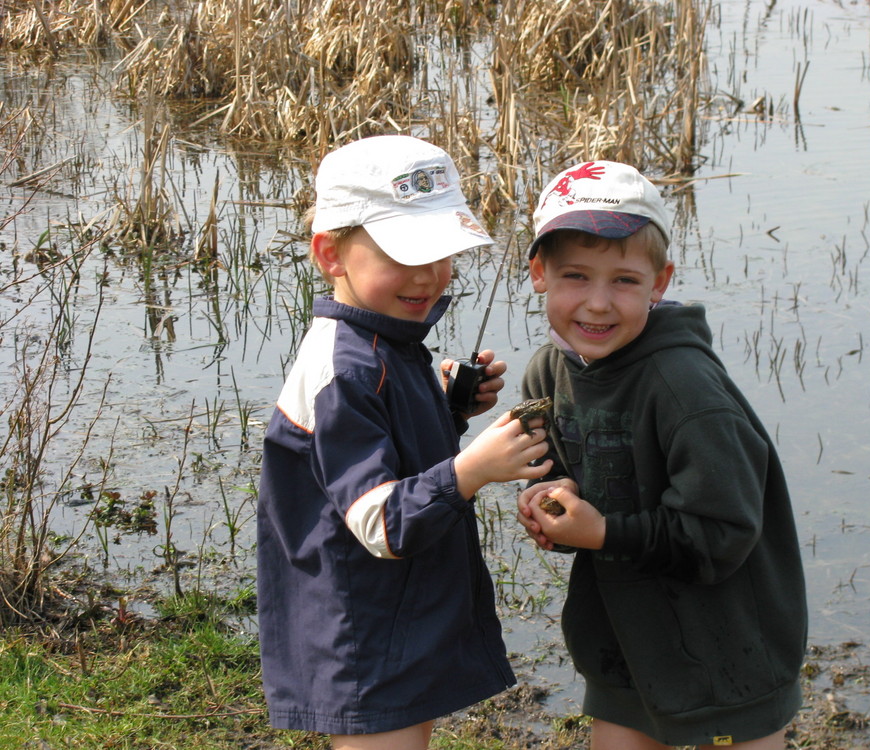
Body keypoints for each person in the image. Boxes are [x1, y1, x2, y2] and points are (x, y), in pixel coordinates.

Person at [257, 134, 553, 750]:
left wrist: (445, 404)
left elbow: (379, 449)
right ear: (330, 255)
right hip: (358, 630)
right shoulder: (347, 369)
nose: (428, 275)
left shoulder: (385, 342)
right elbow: (379, 523)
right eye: (403, 253)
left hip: (388, 617)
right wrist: (472, 470)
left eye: (442, 252)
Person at [516, 160, 808, 750]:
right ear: (539, 273)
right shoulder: (550, 373)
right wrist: (551, 500)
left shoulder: (686, 390)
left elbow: (723, 530)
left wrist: (603, 533)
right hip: (628, 636)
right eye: (576, 275)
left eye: (624, 280)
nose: (598, 304)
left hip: (730, 645)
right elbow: (563, 478)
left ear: (661, 280)